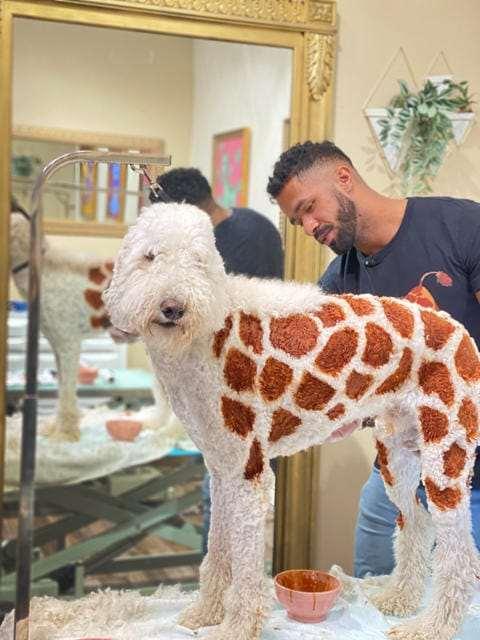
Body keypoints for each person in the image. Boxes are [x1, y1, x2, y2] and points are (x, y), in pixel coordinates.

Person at [266, 140, 480, 577]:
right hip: (393, 483)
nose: (309, 227)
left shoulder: (461, 226)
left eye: (309, 208)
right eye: (298, 221)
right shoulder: (339, 283)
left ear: (344, 178)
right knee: (375, 599)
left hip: (472, 483)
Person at [151, 167, 284, 554]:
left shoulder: (219, 247)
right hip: (265, 376)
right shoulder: (254, 222)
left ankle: (224, 574)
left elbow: (208, 320)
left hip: (239, 382)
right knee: (241, 488)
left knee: (226, 492)